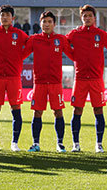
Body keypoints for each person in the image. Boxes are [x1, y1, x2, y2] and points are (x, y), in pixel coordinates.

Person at [66, 4, 107, 153]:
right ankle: (76, 144)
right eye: (84, 16)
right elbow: (64, 44)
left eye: (90, 16)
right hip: (80, 79)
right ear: (81, 18)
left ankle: (99, 144)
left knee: (98, 110)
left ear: (94, 18)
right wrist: (73, 56)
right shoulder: (75, 33)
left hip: (96, 79)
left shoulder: (100, 34)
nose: (87, 18)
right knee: (77, 111)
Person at [22, 11, 74, 153]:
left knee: (58, 112)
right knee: (37, 112)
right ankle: (36, 143)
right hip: (39, 83)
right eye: (44, 22)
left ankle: (60, 143)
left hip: (55, 83)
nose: (46, 24)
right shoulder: (34, 39)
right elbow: (21, 55)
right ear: (40, 24)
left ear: (54, 24)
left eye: (49, 22)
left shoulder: (61, 39)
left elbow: (73, 55)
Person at [0, 5, 29, 151]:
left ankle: (14, 143)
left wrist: (19, 58)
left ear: (13, 18)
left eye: (7, 15)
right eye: (2, 15)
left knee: (16, 109)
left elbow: (30, 45)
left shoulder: (19, 34)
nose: (5, 18)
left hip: (13, 78)